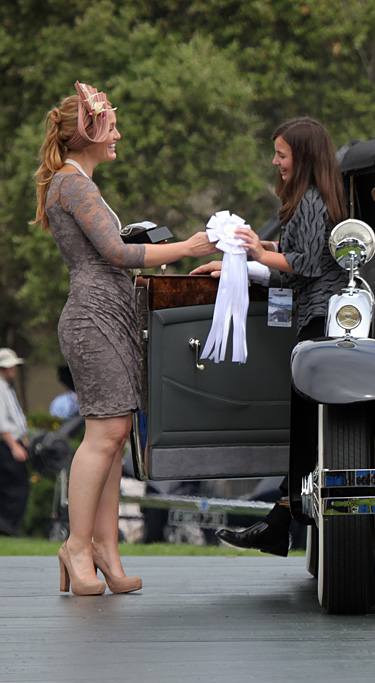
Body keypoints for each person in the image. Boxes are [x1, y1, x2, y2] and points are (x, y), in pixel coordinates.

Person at [34, 81, 219, 594]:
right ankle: (76, 546)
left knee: (115, 442)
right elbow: (116, 254)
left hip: (108, 315)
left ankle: (105, 551)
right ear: (87, 133)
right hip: (93, 319)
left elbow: (111, 256)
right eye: (110, 125)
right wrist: (185, 246)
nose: (118, 133)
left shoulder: (78, 183)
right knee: (104, 437)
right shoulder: (73, 184)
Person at [192, 117, 349, 556]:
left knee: (305, 425)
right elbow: (297, 257)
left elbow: (309, 266)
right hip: (312, 316)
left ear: (302, 157)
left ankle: (283, 518)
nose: (275, 161)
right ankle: (281, 519)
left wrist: (260, 253)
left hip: (319, 320)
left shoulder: (313, 201)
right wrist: (245, 262)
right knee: (305, 427)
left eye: (281, 154)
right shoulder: (313, 201)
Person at [0, 349, 30, 537]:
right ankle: (7, 526)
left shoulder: (6, 387)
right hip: (6, 444)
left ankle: (7, 526)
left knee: (9, 486)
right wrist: (14, 445)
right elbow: (2, 422)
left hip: (14, 441)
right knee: (17, 487)